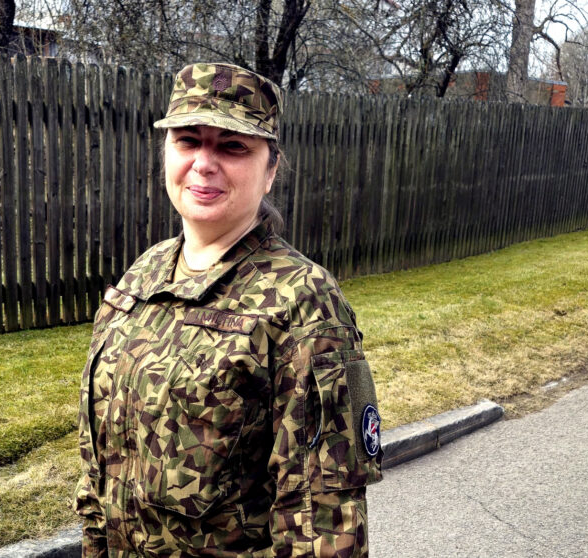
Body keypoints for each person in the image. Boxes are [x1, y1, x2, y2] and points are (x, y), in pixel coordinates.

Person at [73, 62, 382, 558]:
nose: (203, 163)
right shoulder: (145, 274)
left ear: (270, 170)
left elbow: (322, 522)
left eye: (233, 146)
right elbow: (103, 467)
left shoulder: (304, 301)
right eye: (188, 140)